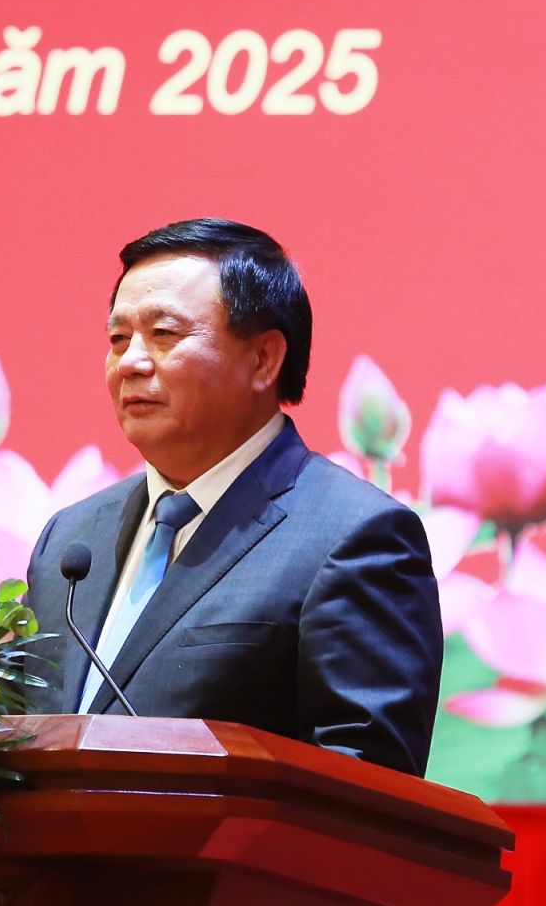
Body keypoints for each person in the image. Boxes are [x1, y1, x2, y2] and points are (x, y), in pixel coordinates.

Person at [23, 218, 442, 776]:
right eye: (118, 339)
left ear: (264, 358)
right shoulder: (71, 540)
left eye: (163, 333)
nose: (129, 362)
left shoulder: (356, 538)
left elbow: (366, 786)